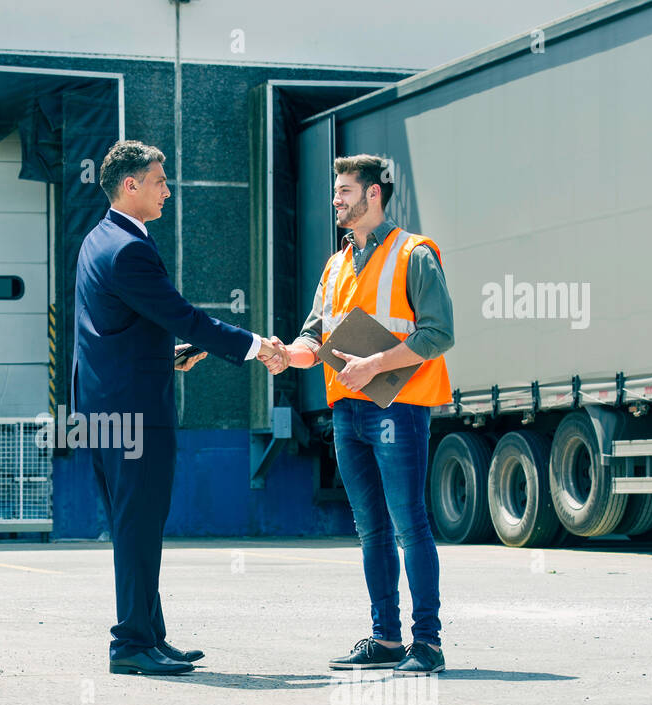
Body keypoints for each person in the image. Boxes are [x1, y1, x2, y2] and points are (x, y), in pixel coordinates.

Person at [74, 140, 287, 676]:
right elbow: (185, 316)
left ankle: (148, 635)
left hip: (104, 410)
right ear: (130, 186)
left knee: (135, 524)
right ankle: (130, 644)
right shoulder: (130, 249)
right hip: (136, 416)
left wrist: (162, 358)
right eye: (159, 181)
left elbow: (111, 329)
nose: (167, 190)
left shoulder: (96, 240)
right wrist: (257, 346)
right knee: (139, 525)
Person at [264, 154, 454, 674]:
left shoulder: (415, 254)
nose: (336, 200)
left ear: (374, 194)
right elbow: (313, 337)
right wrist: (285, 355)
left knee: (409, 526)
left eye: (346, 190)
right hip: (347, 412)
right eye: (335, 190)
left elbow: (439, 333)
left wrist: (375, 364)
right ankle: (386, 640)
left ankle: (428, 643)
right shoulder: (335, 264)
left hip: (399, 409)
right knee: (371, 529)